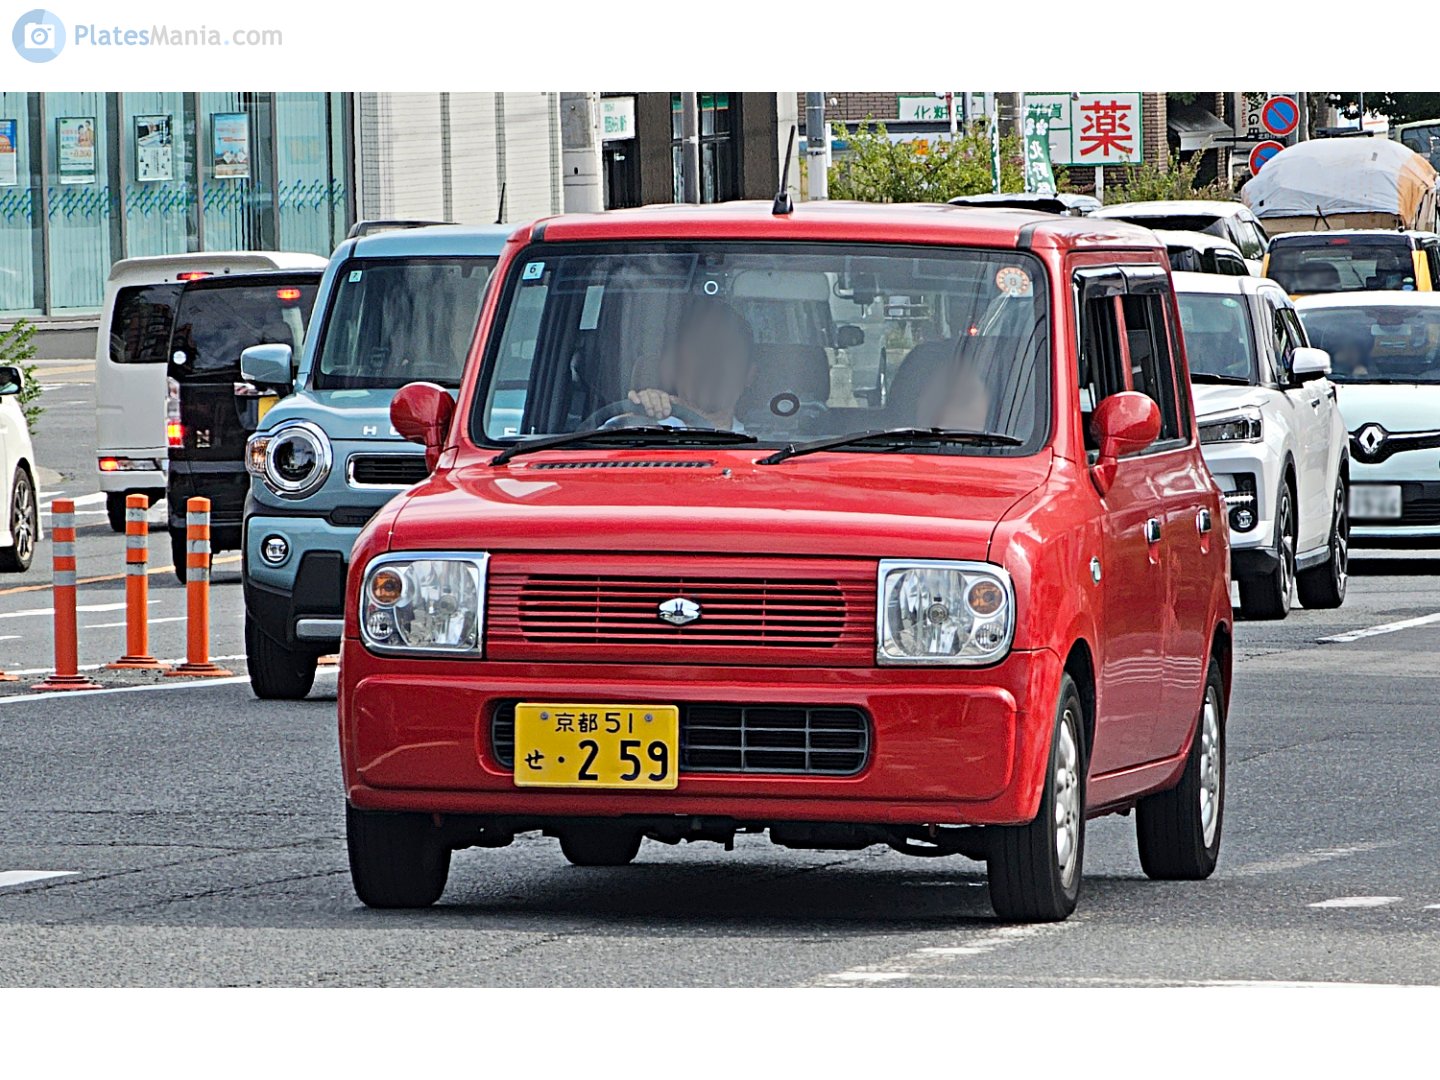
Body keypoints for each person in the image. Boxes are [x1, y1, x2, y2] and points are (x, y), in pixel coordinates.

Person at [624, 297, 755, 430]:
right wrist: (637, 416)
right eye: (700, 352)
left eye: (725, 354)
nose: (711, 368)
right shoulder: (643, 427)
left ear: (749, 375)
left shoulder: (763, 442)